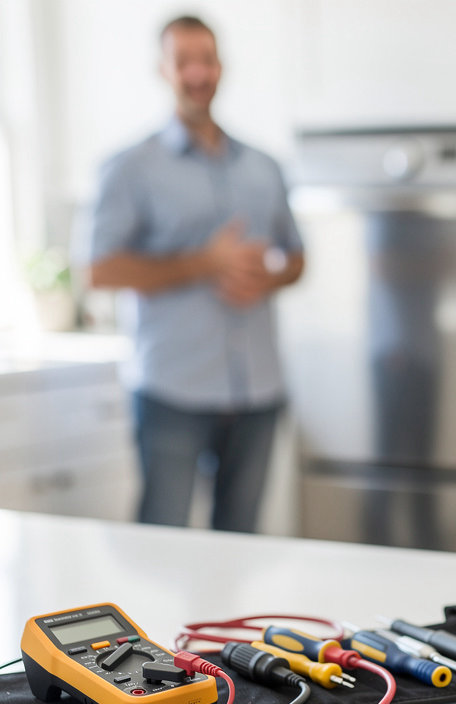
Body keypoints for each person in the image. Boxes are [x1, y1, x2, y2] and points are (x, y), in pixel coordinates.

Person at [85, 14, 304, 532]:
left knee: (241, 542)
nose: (197, 73)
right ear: (162, 70)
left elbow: (296, 257)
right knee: (164, 538)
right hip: (173, 391)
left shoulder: (264, 166)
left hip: (257, 391)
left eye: (206, 60)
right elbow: (98, 270)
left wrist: (267, 277)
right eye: (183, 62)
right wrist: (205, 262)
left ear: (220, 66)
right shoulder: (130, 168)